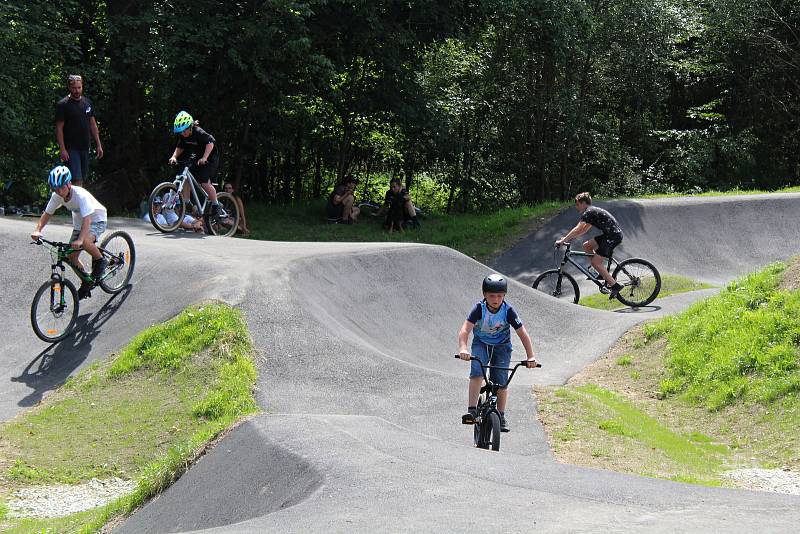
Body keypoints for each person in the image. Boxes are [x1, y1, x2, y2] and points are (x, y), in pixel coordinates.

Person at [458, 274, 538, 433]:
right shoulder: (478, 309)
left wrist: (531, 356)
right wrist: (463, 348)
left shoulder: (508, 311)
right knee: (477, 373)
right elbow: (465, 330)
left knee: (501, 382)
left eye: (500, 296)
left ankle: (500, 415)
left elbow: (522, 333)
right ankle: (472, 410)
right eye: (491, 296)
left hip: (502, 347)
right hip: (481, 344)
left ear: (504, 296)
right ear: (484, 295)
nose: (496, 299)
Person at [30, 165, 108, 300]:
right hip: (80, 225)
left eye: (62, 187)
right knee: (71, 256)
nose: (59, 191)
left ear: (69, 184)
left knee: (85, 242)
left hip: (97, 220)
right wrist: (38, 230)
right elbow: (47, 214)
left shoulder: (80, 195)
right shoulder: (57, 196)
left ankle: (101, 261)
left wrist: (79, 240)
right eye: (56, 188)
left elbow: (88, 220)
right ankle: (87, 281)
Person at [555, 192, 624, 299]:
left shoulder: (588, 212)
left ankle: (615, 285)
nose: (576, 207)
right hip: (610, 235)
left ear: (583, 203)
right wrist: (568, 239)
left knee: (595, 262)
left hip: (612, 236)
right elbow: (583, 230)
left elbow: (578, 228)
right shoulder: (592, 212)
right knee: (587, 246)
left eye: (577, 204)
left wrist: (563, 239)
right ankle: (600, 272)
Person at [168, 111, 224, 216]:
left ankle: (216, 205)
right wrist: (174, 157)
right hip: (196, 157)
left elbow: (210, 143)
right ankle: (187, 202)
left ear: (190, 127)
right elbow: (180, 147)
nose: (182, 134)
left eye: (184, 131)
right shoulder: (183, 136)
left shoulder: (198, 132)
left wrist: (204, 157)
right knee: (185, 174)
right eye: (180, 132)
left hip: (210, 157)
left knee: (204, 182)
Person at [55, 74, 104, 187]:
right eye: (74, 88)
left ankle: (75, 203)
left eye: (79, 87)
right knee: (76, 179)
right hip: (71, 148)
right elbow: (59, 128)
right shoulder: (63, 105)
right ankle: (75, 204)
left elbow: (93, 124)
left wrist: (98, 144)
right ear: (69, 87)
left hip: (85, 147)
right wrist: (62, 149)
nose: (77, 90)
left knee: (82, 178)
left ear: (82, 86)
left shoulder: (87, 103)